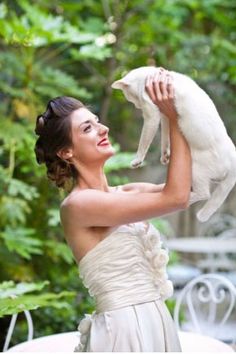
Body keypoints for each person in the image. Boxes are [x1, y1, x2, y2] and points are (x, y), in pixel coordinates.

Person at [34, 68, 191, 352]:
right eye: (87, 128)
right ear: (66, 152)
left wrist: (175, 112)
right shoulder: (78, 205)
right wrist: (172, 116)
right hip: (123, 330)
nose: (103, 128)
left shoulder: (126, 193)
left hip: (157, 323)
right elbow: (176, 197)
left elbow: (188, 190)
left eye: (97, 122)